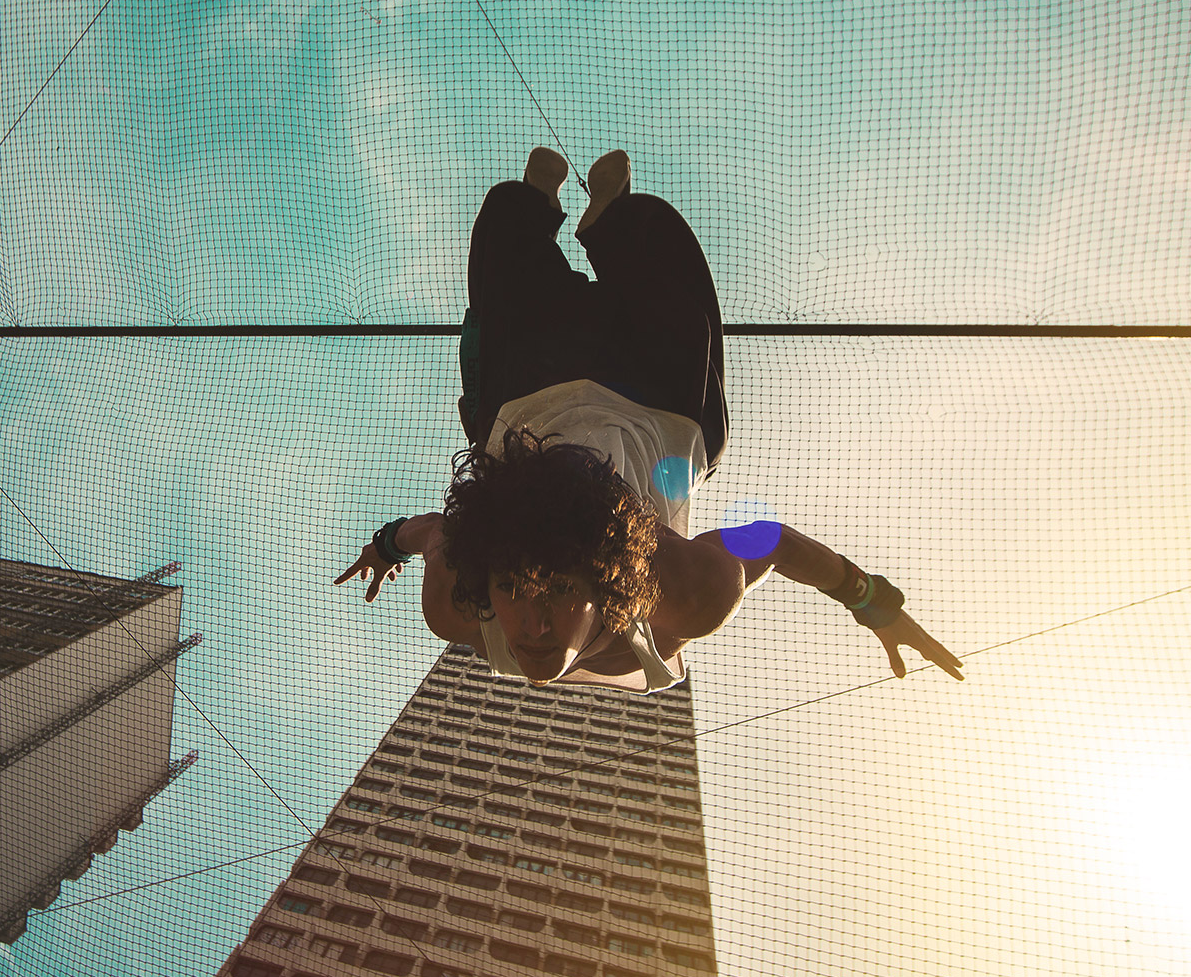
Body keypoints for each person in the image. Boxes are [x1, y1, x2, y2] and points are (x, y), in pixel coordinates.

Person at [336, 148, 962, 691]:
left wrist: (385, 545)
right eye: (555, 589)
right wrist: (869, 599)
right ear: (610, 580)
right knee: (677, 316)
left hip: (534, 393)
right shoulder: (685, 596)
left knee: (505, 276)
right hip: (656, 408)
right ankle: (616, 220)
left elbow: (430, 531)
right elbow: (770, 540)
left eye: (534, 591)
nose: (534, 625)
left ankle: (530, 206)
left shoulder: (453, 607)